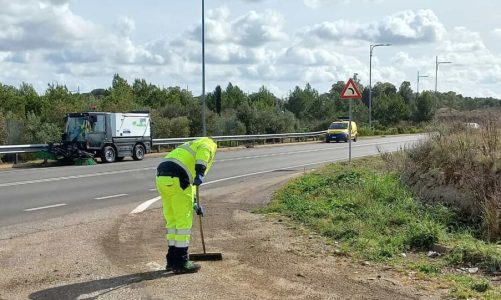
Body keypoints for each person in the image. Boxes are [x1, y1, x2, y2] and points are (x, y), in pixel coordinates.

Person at [156, 137, 217, 274]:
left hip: (161, 176)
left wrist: (194, 203)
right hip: (179, 178)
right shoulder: (208, 143)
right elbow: (204, 153)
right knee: (183, 222)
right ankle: (181, 262)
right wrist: (201, 171)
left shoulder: (190, 145)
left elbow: (192, 183)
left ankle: (171, 260)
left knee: (172, 221)